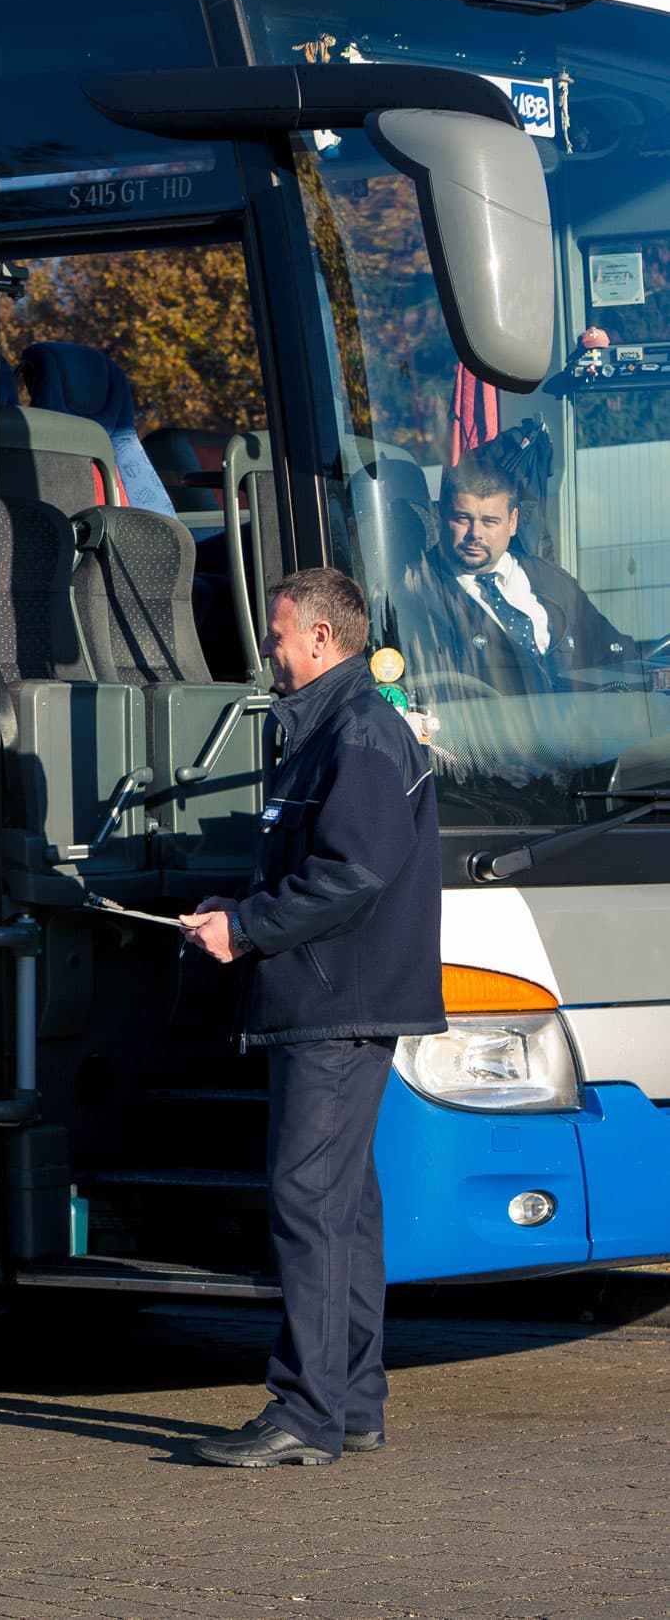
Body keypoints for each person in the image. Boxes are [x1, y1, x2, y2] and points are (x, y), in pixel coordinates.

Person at [179, 569, 445, 1467]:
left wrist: (247, 928)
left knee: (307, 1202)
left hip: (334, 1005)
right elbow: (331, 867)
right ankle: (352, 1403)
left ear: (323, 640)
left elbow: (351, 872)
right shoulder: (340, 727)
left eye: (279, 635)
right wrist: (237, 909)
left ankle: (305, 1413)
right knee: (345, 1209)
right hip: (337, 998)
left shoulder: (357, 732)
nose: (269, 651)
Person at [399, 458, 631, 694]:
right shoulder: (416, 594)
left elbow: (615, 653)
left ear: (512, 522)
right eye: (462, 519)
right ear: (440, 516)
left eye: (490, 522)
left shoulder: (550, 580)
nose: (475, 533)